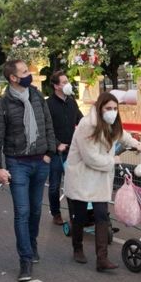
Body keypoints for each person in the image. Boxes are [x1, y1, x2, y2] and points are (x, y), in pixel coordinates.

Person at [0, 59, 55, 282]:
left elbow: (48, 124)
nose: (30, 74)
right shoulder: (2, 105)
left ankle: (32, 244)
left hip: (40, 162)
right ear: (13, 78)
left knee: (36, 210)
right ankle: (25, 259)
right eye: (25, 71)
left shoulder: (36, 96)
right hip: (18, 164)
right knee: (22, 212)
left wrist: (49, 153)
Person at [63, 91, 141, 271]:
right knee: (81, 215)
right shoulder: (87, 125)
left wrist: (136, 144)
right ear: (100, 108)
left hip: (99, 177)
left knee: (101, 215)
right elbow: (90, 157)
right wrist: (112, 160)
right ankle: (77, 248)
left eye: (115, 108)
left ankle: (102, 259)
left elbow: (122, 135)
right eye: (108, 108)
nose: (112, 112)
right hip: (82, 175)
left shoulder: (111, 122)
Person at [46, 70, 83, 227]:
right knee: (54, 185)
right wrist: (56, 144)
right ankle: (56, 213)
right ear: (56, 86)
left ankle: (75, 214)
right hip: (56, 152)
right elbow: (45, 128)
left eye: (67, 81)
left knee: (73, 184)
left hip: (72, 150)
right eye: (63, 82)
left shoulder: (72, 101)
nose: (67, 85)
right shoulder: (48, 104)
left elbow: (81, 119)